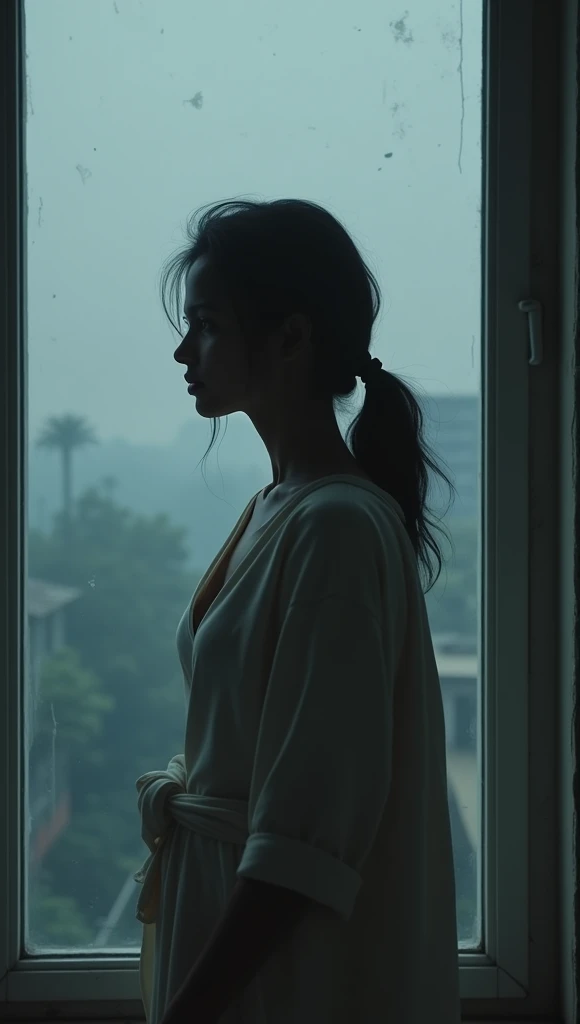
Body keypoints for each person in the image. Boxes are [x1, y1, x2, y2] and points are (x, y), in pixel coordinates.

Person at [134, 198, 462, 1024]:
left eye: (206, 324)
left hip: (284, 979)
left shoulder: (336, 527)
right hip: (240, 951)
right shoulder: (279, 507)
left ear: (290, 336)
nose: (183, 349)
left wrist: (190, 1011)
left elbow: (303, 840)